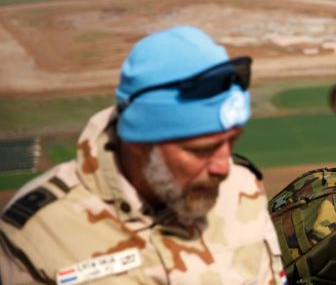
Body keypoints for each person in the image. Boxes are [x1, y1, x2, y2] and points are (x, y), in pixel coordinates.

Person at [0, 25, 285, 285]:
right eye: (201, 150)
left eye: (231, 141)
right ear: (139, 141)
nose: (223, 167)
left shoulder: (242, 190)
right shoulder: (38, 233)